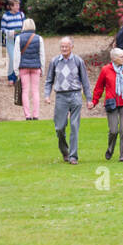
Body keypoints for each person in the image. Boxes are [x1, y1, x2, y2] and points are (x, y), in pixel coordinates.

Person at [44, 36, 90, 165]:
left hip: (75, 95)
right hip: (61, 97)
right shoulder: (54, 62)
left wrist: (89, 99)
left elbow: (85, 81)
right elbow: (49, 81)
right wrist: (47, 95)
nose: (64, 49)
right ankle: (65, 150)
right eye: (62, 47)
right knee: (59, 127)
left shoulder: (78, 61)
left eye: (66, 46)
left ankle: (73, 156)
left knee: (75, 126)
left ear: (72, 47)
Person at [90, 47, 123, 161]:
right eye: (121, 57)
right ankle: (110, 149)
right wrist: (94, 101)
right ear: (114, 58)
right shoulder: (106, 70)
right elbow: (99, 87)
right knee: (113, 131)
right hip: (111, 103)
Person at [12, 17, 45, 120]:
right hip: (36, 67)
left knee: (25, 91)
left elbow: (16, 55)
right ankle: (36, 115)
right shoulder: (39, 38)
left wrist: (16, 70)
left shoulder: (18, 38)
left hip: (23, 67)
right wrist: (42, 68)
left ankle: (27, 115)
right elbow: (42, 55)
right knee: (35, 91)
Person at [0, 0, 24, 84]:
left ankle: (17, 77)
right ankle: (11, 77)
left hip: (20, 39)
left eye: (18, 5)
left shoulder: (21, 15)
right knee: (12, 58)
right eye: (16, 5)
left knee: (19, 58)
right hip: (10, 40)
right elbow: (3, 30)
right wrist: (11, 32)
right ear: (11, 7)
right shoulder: (6, 16)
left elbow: (24, 26)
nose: (18, 7)